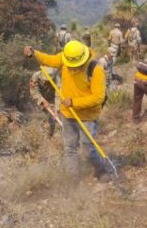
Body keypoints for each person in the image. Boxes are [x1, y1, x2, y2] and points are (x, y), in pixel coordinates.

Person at [24, 40, 108, 178]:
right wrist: (34, 53)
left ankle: (100, 170)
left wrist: (74, 102)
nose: (72, 68)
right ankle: (73, 179)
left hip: (88, 116)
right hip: (68, 114)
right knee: (70, 148)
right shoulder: (65, 58)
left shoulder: (95, 69)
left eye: (76, 66)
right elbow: (50, 60)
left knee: (87, 150)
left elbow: (98, 97)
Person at [28, 67, 60, 136]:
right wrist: (42, 100)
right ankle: (43, 134)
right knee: (47, 117)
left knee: (53, 117)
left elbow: (58, 96)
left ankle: (50, 135)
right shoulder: (35, 76)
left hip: (51, 99)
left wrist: (57, 110)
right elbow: (34, 91)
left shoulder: (57, 80)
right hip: (38, 98)